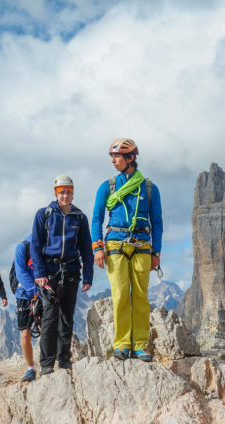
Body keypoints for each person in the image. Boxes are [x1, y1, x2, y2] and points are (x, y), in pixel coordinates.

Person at [91, 138, 163, 362]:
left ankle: (140, 345)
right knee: (120, 294)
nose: (113, 161)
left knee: (140, 296)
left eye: (117, 157)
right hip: (114, 244)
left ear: (131, 158)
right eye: (112, 157)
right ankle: (122, 344)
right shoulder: (108, 186)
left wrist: (156, 253)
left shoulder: (149, 188)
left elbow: (157, 222)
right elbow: (96, 219)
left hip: (142, 244)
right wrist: (97, 247)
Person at [30, 175, 93, 376]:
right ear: (56, 193)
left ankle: (64, 359)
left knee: (67, 318)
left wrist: (88, 276)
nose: (65, 195)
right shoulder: (44, 214)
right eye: (61, 192)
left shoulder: (79, 217)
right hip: (49, 273)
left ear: (73, 192)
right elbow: (36, 245)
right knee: (49, 317)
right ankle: (47, 363)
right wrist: (39, 273)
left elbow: (86, 248)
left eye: (68, 191)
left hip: (72, 272)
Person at [12, 235, 38, 382]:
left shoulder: (47, 244)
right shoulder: (22, 247)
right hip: (24, 295)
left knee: (46, 328)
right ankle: (30, 368)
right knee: (25, 334)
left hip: (41, 293)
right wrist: (36, 291)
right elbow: (20, 273)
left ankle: (48, 363)